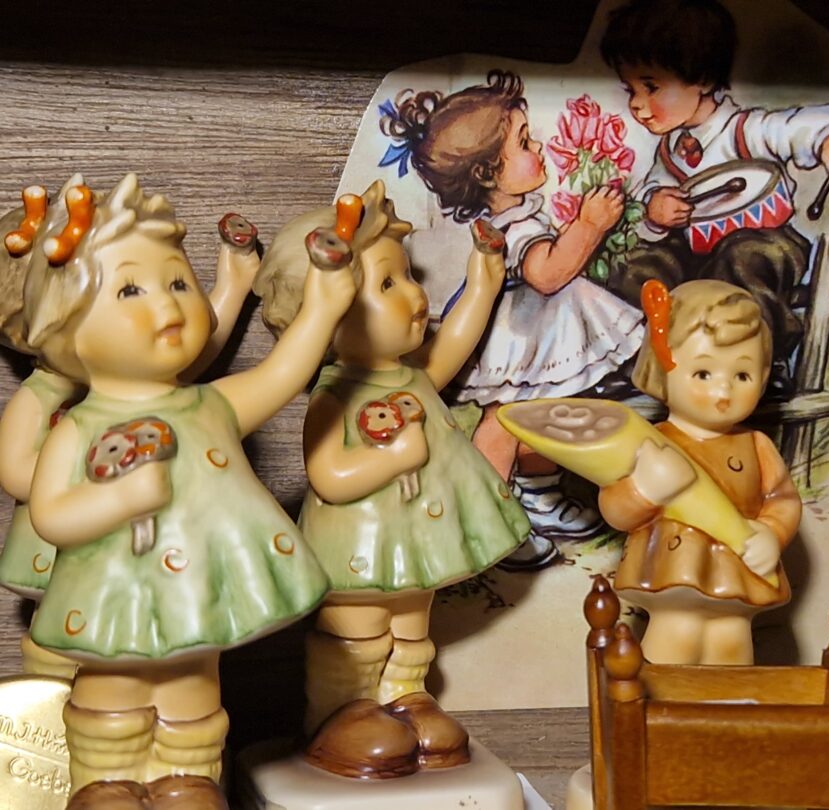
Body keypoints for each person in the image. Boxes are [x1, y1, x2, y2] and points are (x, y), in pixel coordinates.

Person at [21, 173, 352, 807]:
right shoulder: (80, 427)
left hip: (197, 598)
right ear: (65, 328)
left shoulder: (212, 406)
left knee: (193, 689)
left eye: (178, 282)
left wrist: (324, 307)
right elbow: (52, 514)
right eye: (130, 290)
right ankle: (105, 782)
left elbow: (283, 372)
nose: (169, 306)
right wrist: (120, 499)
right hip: (114, 602)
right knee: (112, 691)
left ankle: (187, 778)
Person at [254, 180, 530, 777]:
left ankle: (406, 696)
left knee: (411, 622)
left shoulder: (414, 376)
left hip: (418, 544)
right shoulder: (334, 396)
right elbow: (330, 476)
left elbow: (453, 343)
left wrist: (483, 281)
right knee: (359, 631)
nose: (414, 294)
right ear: (328, 317)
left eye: (406, 276)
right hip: (357, 554)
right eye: (387, 284)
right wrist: (396, 457)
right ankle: (344, 712)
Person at [381, 70, 645, 567]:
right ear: (488, 174)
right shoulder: (510, 225)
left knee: (543, 418)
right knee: (505, 424)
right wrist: (589, 226)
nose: (538, 146)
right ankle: (488, 517)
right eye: (524, 142)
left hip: (542, 335)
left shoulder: (521, 211)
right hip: (520, 340)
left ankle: (538, 499)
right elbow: (546, 274)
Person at [0, 180, 260, 681]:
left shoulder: (138, 377)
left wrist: (230, 287)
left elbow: (196, 348)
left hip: (144, 548)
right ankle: (49, 692)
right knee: (59, 630)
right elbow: (15, 471)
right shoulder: (43, 395)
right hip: (64, 546)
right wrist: (92, 480)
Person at [600, 0, 829, 395]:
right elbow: (651, 191)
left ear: (703, 79)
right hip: (694, 250)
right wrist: (655, 209)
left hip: (765, 241)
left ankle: (758, 362)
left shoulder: (745, 129)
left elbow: (792, 128)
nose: (637, 104)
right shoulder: (670, 151)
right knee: (635, 266)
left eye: (651, 87)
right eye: (631, 90)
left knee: (743, 263)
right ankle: (645, 360)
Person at [599, 279, 801, 665]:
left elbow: (782, 498)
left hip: (737, 570)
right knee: (677, 634)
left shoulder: (756, 444)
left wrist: (772, 533)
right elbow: (614, 507)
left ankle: (729, 706)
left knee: (731, 641)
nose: (723, 392)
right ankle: (664, 704)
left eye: (741, 376)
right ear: (663, 368)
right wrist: (644, 492)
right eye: (703, 374)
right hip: (673, 570)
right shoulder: (651, 441)